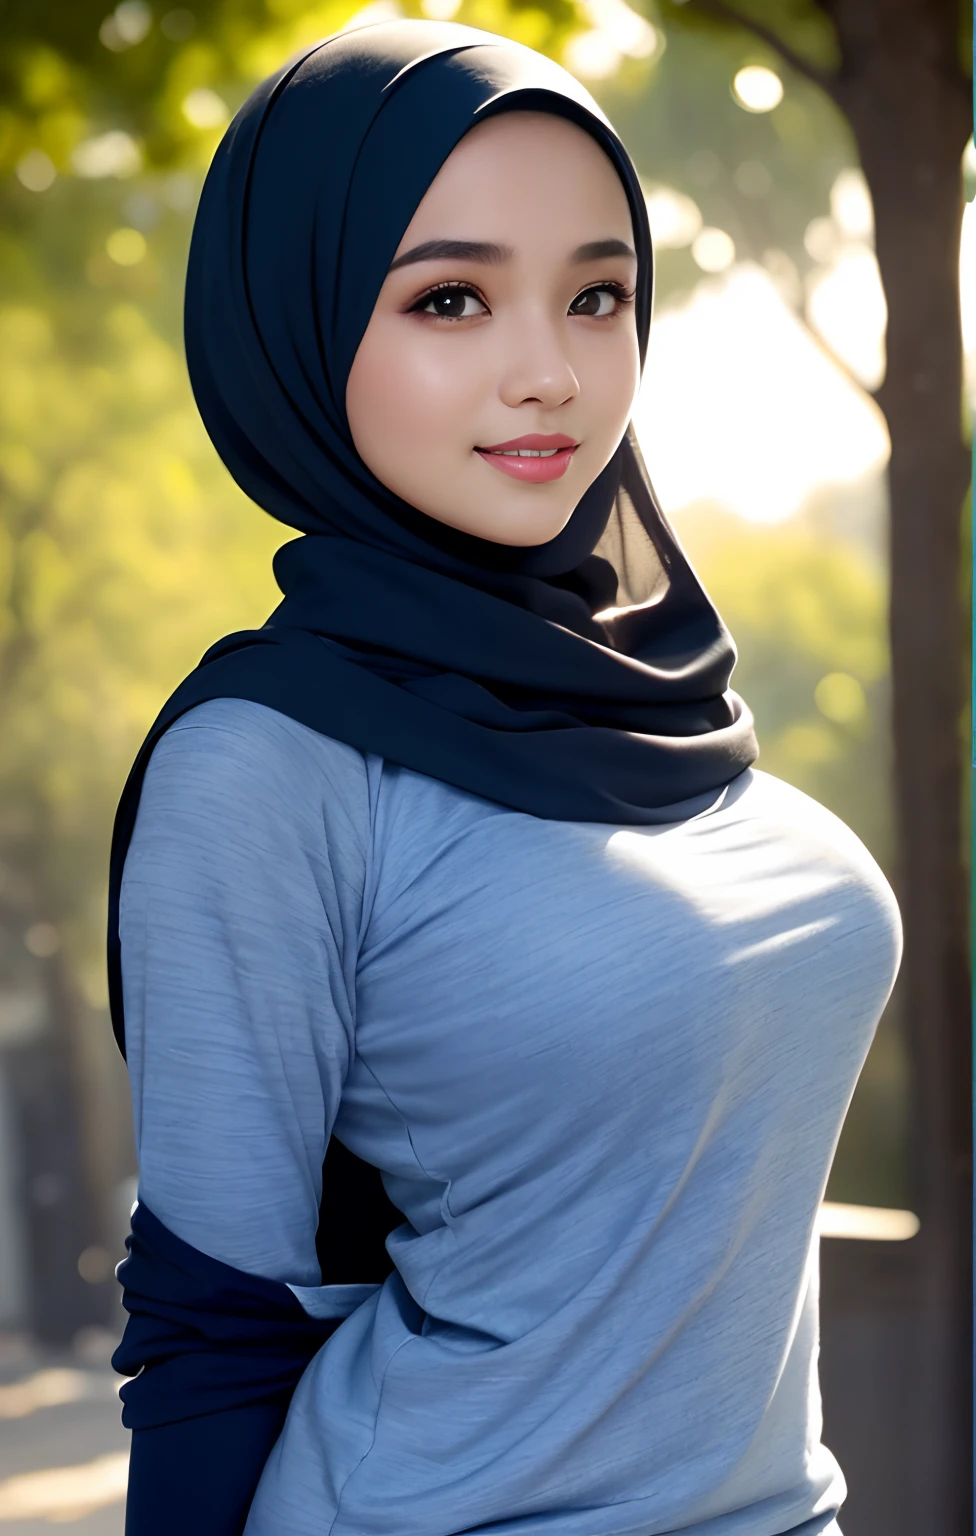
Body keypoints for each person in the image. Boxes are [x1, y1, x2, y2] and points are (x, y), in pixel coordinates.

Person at [107, 19, 903, 1536]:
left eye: (598, 294)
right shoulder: (266, 765)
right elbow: (215, 1326)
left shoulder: (654, 686)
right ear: (300, 322)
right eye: (452, 299)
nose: (549, 373)